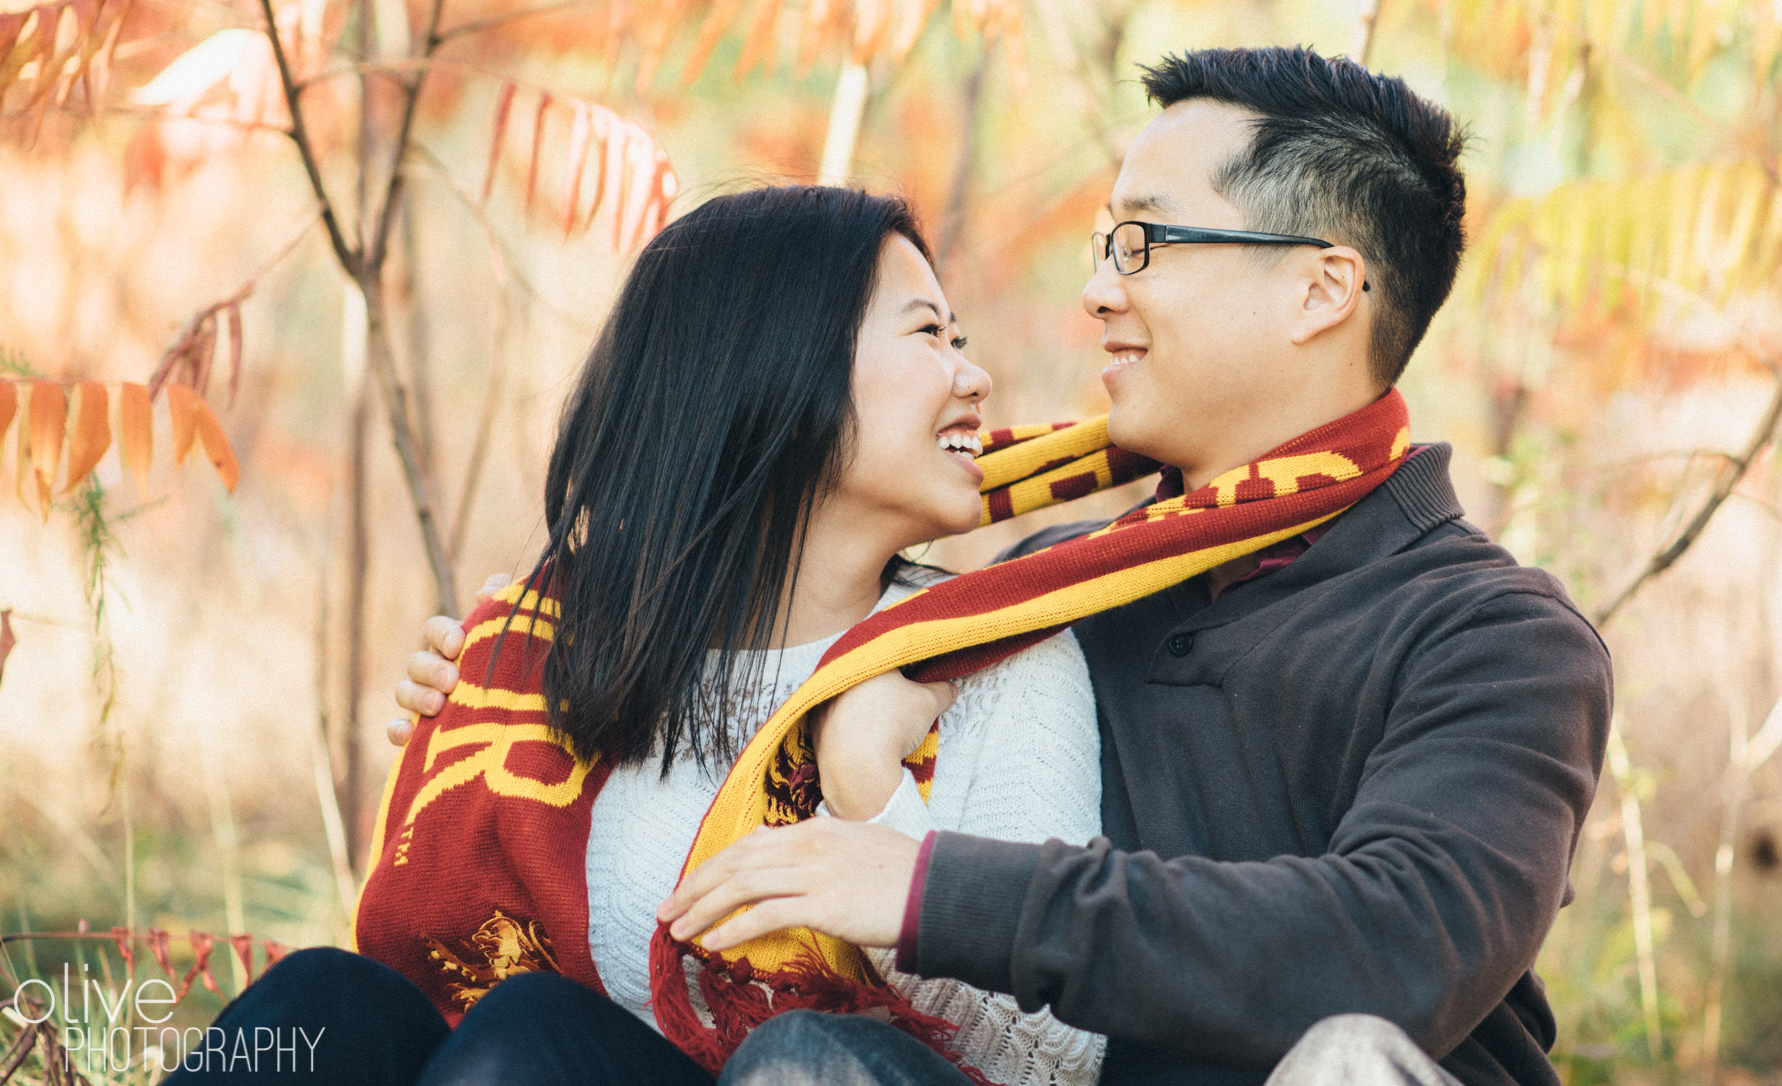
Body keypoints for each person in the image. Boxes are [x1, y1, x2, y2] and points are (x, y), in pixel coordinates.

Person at [400, 47, 1615, 1086]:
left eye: (1143, 245)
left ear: (1318, 288)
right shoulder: (1043, 585)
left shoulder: (1491, 635)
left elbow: (1390, 950)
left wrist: (928, 889)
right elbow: (775, 635)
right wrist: (525, 682)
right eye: (1100, 246)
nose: (1096, 293)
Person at [178, 187, 1107, 1086]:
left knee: (529, 1035)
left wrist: (868, 782)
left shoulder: (989, 656)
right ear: (778, 364)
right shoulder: (579, 651)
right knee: (323, 1002)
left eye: (963, 339)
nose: (973, 375)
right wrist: (471, 681)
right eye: (929, 334)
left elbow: (1051, 1059)